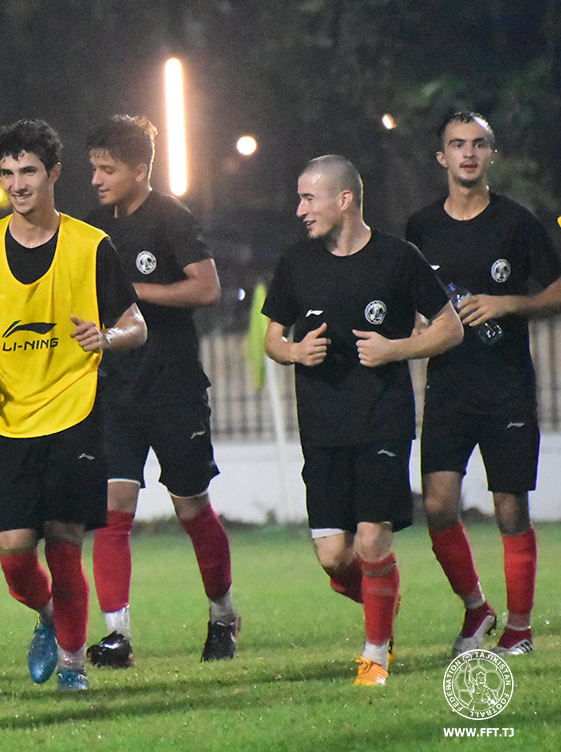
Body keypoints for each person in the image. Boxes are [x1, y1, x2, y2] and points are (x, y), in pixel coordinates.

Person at [262, 155, 462, 686]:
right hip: (322, 427)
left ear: (344, 199)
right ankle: (383, 603)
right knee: (334, 557)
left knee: (374, 540)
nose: (299, 209)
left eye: (309, 198)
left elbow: (450, 329)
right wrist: (293, 354)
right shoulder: (296, 263)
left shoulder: (399, 259)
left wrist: (398, 348)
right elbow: (272, 339)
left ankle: (375, 654)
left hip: (382, 420)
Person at [0, 119, 146, 691]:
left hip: (73, 411)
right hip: (11, 417)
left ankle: (73, 664)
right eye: (9, 173)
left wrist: (105, 338)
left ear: (54, 174)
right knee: (16, 556)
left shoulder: (92, 246)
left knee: (65, 544)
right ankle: (46, 617)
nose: (18, 184)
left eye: (29, 172)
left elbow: (135, 325)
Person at [82, 115, 239, 666]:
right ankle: (117, 636)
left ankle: (223, 615)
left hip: (173, 388)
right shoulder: (95, 231)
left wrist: (135, 292)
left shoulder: (171, 217)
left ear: (141, 170)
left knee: (191, 507)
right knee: (111, 509)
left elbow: (208, 288)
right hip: (116, 391)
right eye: (94, 168)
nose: (97, 179)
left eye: (109, 169)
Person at [406, 112, 561, 657]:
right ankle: (478, 608)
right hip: (448, 386)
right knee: (439, 505)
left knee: (510, 508)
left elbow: (557, 291)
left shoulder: (518, 224)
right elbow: (411, 299)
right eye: (456, 145)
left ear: (491, 155)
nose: (467, 153)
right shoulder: (420, 227)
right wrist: (418, 326)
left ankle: (520, 629)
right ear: (441, 158)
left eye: (477, 144)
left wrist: (508, 302)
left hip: (507, 386)